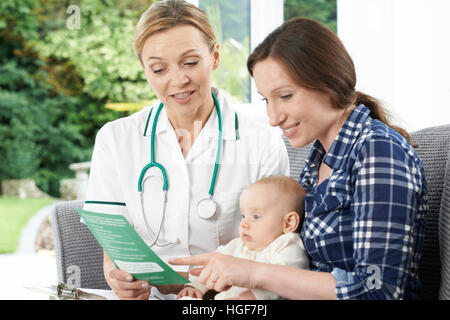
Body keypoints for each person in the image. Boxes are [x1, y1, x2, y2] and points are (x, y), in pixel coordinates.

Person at [170, 17, 428, 300]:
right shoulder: (318, 158)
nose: (273, 118)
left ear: (329, 83)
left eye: (286, 96)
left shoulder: (378, 152)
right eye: (266, 100)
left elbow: (379, 291)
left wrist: (253, 273)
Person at [82, 0, 289, 300]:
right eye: (158, 69)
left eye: (191, 63)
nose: (178, 80)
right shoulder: (115, 139)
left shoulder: (262, 143)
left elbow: (276, 257)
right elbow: (114, 247)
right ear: (144, 70)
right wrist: (121, 279)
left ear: (215, 56)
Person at [177, 176, 309, 300]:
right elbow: (212, 267)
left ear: (288, 223)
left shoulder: (287, 245)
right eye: (243, 216)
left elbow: (285, 281)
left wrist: (246, 298)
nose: (244, 224)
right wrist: (194, 286)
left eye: (256, 217)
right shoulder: (237, 245)